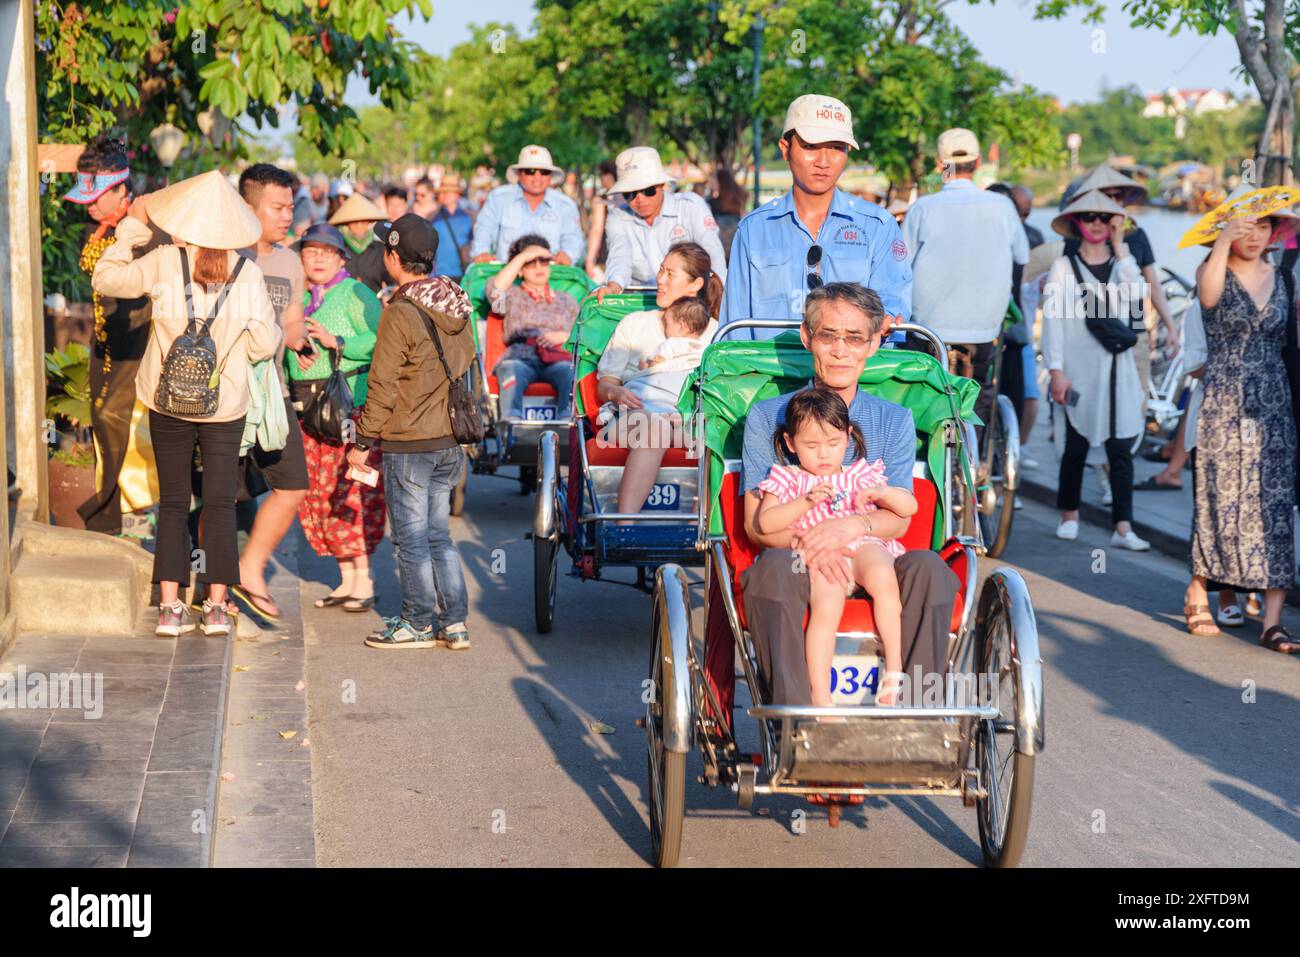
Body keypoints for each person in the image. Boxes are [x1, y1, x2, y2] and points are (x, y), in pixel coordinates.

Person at [739, 282, 960, 706]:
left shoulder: (893, 419)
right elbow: (757, 526)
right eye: (828, 336)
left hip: (874, 551)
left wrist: (850, 528)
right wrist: (817, 544)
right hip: (799, 559)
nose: (841, 351)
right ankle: (799, 720)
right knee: (772, 568)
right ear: (807, 338)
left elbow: (899, 517)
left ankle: (917, 715)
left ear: (874, 343)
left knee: (930, 568)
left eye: (855, 338)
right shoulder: (769, 416)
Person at [92, 170, 281, 637]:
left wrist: (132, 228)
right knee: (218, 502)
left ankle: (170, 608)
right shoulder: (248, 272)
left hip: (166, 400)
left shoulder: (163, 261)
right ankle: (216, 608)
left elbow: (106, 278)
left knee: (174, 501)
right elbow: (263, 346)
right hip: (225, 406)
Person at [346, 214, 476, 650]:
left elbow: (381, 386)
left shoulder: (401, 311)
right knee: (438, 534)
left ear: (393, 257)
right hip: (448, 440)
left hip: (410, 442)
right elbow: (465, 362)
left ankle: (417, 622)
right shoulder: (456, 302)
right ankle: (454, 622)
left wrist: (363, 442)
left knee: (411, 539)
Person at [754, 389, 915, 708]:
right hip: (819, 556)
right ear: (790, 443)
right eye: (811, 446)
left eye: (833, 443)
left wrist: (883, 492)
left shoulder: (861, 474)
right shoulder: (788, 478)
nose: (824, 455)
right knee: (826, 606)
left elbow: (908, 507)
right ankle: (821, 695)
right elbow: (767, 522)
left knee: (883, 575)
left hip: (863, 545)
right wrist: (805, 502)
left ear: (848, 436)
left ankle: (895, 668)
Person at [1184, 213, 1299, 651]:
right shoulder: (1212, 269)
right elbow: (1209, 299)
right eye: (1245, 227)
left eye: (1263, 227)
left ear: (1275, 233)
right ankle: (1199, 589)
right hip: (1224, 396)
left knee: (1272, 502)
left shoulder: (1286, 277)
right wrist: (1222, 242)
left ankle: (1272, 620)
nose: (1254, 236)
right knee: (1219, 496)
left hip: (1274, 398)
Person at [719, 94, 911, 336]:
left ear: (848, 151)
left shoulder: (878, 226)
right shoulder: (753, 230)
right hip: (769, 370)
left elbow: (894, 301)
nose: (823, 161)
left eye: (836, 148)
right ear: (785, 149)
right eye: (810, 147)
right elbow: (735, 331)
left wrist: (888, 318)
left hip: (853, 369)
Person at [62, 137, 165, 536]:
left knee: (118, 418)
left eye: (100, 195)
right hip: (106, 341)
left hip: (141, 340)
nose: (91, 204)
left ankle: (138, 508)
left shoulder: (149, 226)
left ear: (123, 188)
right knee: (104, 420)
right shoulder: (93, 225)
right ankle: (109, 519)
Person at [1041, 190, 1150, 551]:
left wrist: (1122, 246)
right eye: (1089, 217)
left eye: (1105, 218)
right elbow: (1053, 322)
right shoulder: (1062, 267)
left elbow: (1137, 295)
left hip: (1117, 370)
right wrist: (1055, 370)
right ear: (1076, 223)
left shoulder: (1123, 265)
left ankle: (1123, 525)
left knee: (1121, 447)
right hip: (1077, 367)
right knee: (1075, 444)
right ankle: (1069, 514)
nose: (1098, 224)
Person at [286, 224, 385, 613]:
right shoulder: (301, 297)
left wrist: (337, 343)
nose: (319, 258)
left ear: (343, 258)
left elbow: (381, 339)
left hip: (348, 410)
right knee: (321, 491)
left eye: (328, 252)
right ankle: (347, 580)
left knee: (352, 490)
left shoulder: (356, 292)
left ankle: (364, 580)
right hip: (309, 412)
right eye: (311, 252)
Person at [901, 130, 1028, 435]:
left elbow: (900, 266)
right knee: (979, 395)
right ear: (978, 162)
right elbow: (1021, 258)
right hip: (983, 330)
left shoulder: (922, 208)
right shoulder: (1002, 207)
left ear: (939, 164)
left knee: (923, 395)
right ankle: (976, 461)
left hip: (927, 329)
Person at [228, 163, 312, 620]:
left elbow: (292, 316)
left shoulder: (289, 259)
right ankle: (212, 577)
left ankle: (250, 566)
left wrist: (299, 337)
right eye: (277, 207)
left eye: (290, 207)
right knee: (225, 496)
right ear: (249, 206)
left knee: (293, 486)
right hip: (229, 394)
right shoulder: (222, 255)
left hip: (274, 393)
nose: (286, 216)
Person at [596, 242, 720, 517]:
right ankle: (624, 528)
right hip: (631, 418)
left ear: (695, 284)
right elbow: (605, 384)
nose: (660, 280)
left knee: (716, 435)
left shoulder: (716, 333)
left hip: (684, 422)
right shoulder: (635, 323)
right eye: (661, 271)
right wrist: (617, 394)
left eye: (670, 274)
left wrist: (691, 416)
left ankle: (699, 531)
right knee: (655, 428)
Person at [594, 146, 726, 300]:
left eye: (648, 190)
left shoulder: (691, 207)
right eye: (630, 193)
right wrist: (613, 286)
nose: (640, 199)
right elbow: (619, 256)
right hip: (640, 304)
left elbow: (713, 255)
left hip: (689, 303)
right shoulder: (617, 217)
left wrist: (718, 300)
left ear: (662, 184)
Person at [489, 234, 580, 421]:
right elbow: (493, 292)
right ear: (520, 270)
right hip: (521, 357)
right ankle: (511, 423)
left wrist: (565, 336)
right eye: (531, 262)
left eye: (544, 260)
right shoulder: (511, 296)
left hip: (559, 357)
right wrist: (522, 256)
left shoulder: (567, 300)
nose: (538, 266)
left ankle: (567, 423)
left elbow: (584, 335)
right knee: (511, 368)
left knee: (570, 371)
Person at [596, 294, 712, 426]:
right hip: (683, 403)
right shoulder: (705, 348)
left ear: (681, 326)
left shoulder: (671, 344)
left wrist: (644, 365)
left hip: (655, 398)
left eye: (667, 322)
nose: (664, 323)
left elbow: (655, 365)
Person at [470, 145, 584, 264]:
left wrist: (567, 255)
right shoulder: (499, 198)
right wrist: (482, 253)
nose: (537, 177)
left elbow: (572, 238)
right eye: (531, 171)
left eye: (544, 172)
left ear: (550, 176)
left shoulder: (565, 205)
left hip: (551, 276)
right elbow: (484, 230)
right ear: (519, 174)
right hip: (506, 275)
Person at [329, 193, 390, 294]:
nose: (359, 226)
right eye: (354, 222)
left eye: (363, 222)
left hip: (374, 305)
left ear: (369, 223)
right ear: (347, 224)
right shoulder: (339, 249)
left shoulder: (380, 249)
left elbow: (390, 281)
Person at [431, 173, 474, 281]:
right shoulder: (433, 218)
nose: (445, 195)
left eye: (449, 192)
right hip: (440, 275)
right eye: (443, 192)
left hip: (464, 273)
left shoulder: (469, 217)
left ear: (457, 194)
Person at [584, 159, 619, 282]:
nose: (601, 178)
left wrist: (589, 259)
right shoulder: (632, 199)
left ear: (610, 175)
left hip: (605, 258)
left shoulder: (601, 200)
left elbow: (597, 230)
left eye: (602, 174)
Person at [708, 167, 747, 259]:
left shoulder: (713, 203)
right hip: (736, 245)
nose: (711, 182)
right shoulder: (738, 197)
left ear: (720, 181)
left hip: (721, 247)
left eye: (713, 179)